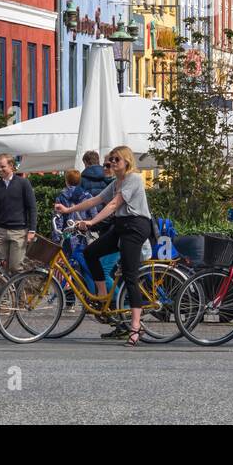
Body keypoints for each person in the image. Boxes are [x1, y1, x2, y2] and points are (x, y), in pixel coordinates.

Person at [56, 145, 154, 347]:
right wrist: (68, 210)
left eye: (116, 159)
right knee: (91, 253)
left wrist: (91, 223)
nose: (111, 163)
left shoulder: (133, 179)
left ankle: (136, 326)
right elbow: (95, 200)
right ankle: (102, 295)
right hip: (121, 225)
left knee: (130, 275)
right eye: (110, 160)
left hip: (136, 227)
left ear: (126, 161)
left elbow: (112, 205)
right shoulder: (117, 182)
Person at [0, 154, 37, 275]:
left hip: (19, 231)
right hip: (0, 231)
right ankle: (6, 294)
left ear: (11, 166)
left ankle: (19, 293)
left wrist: (32, 230)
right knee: (0, 268)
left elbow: (32, 208)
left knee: (16, 267)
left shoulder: (24, 183)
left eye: (2, 166)